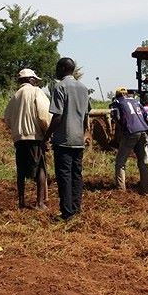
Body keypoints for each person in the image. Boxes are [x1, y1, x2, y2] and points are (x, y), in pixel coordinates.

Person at [43, 57, 91, 220]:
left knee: (64, 176)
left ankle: (67, 212)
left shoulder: (60, 86)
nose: (56, 71)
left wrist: (46, 137)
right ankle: (76, 208)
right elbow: (86, 115)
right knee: (76, 175)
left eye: (57, 68)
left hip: (64, 140)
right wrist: (84, 133)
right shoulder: (83, 88)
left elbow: (57, 116)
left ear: (63, 69)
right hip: (78, 140)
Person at [4, 68, 51, 209]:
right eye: (34, 79)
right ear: (30, 79)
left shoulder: (15, 96)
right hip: (35, 136)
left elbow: (7, 118)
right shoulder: (37, 92)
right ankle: (39, 203)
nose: (36, 82)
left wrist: (17, 130)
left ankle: (21, 202)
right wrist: (47, 134)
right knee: (40, 168)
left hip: (19, 139)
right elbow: (43, 116)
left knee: (21, 171)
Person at [110, 87, 148, 192]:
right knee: (143, 161)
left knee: (120, 162)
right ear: (126, 94)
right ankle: (146, 188)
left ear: (117, 95)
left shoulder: (117, 103)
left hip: (131, 132)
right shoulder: (136, 101)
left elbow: (116, 116)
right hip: (144, 131)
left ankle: (121, 189)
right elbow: (145, 115)